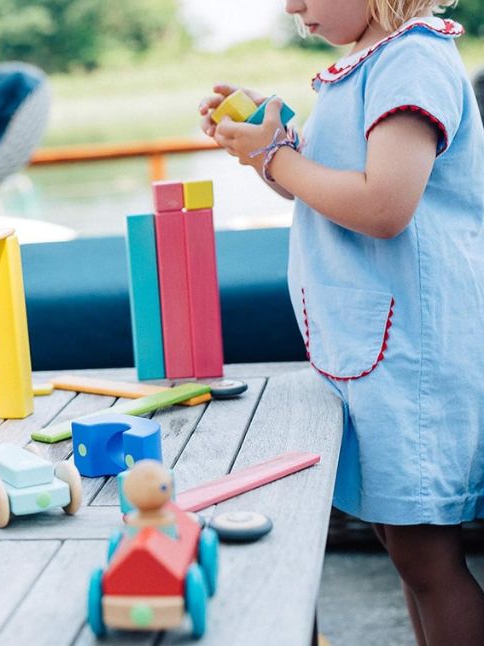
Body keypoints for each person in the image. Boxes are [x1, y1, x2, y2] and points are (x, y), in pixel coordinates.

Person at [199, 1, 484, 644]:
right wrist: (268, 150)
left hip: (415, 355)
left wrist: (277, 159)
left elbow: (384, 206)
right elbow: (331, 189)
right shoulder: (372, 64)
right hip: (379, 349)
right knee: (410, 556)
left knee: (428, 562)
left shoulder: (411, 61)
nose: (293, 6)